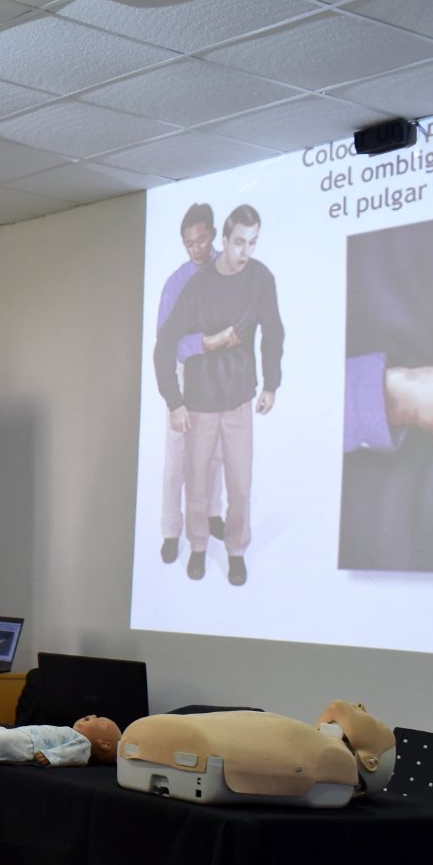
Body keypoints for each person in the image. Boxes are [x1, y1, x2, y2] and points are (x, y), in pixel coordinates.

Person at [152, 203, 284, 587]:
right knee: (193, 482)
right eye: (239, 242)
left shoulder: (261, 278)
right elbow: (165, 345)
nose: (246, 251)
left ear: (211, 238)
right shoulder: (193, 286)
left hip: (239, 399)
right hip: (199, 401)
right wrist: (175, 402)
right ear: (225, 240)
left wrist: (271, 383)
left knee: (239, 485)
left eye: (252, 242)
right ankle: (195, 545)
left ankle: (236, 550)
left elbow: (273, 330)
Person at [155, 204, 227, 563]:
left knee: (216, 453)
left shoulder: (231, 271)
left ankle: (212, 513)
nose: (196, 249)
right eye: (189, 244)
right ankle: (171, 530)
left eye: (201, 241)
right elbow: (164, 342)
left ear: (212, 234)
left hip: (221, 374)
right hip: (187, 375)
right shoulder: (175, 283)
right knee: (176, 460)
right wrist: (202, 343)